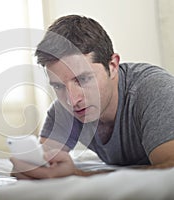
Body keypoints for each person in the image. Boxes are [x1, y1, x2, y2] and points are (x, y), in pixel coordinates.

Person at [10, 14, 174, 179]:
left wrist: (78, 174)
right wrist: (33, 171)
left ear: (113, 66)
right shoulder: (63, 109)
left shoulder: (154, 90)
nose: (73, 101)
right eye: (59, 86)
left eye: (83, 79)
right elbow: (47, 165)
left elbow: (170, 169)